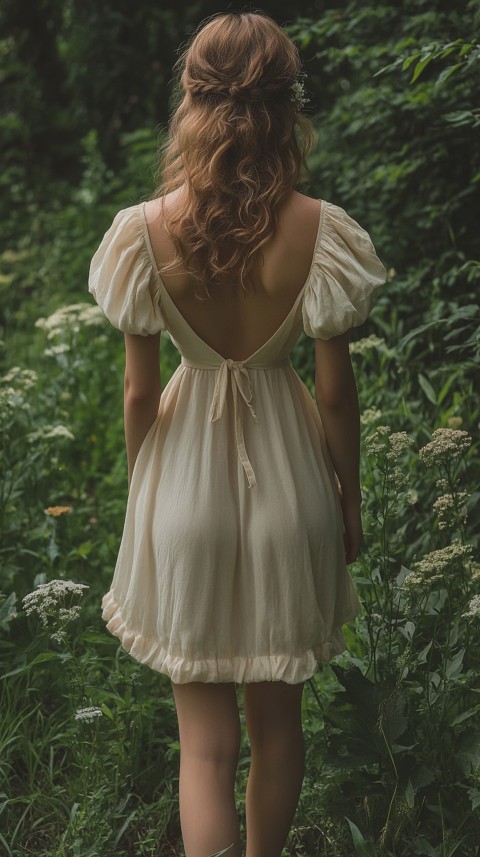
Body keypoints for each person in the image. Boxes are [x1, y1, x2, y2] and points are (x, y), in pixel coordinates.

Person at [88, 11, 387, 857]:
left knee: (205, 746)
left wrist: (149, 491)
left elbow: (141, 395)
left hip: (184, 488)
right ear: (287, 108)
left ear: (190, 99)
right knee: (279, 729)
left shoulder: (143, 232)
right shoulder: (320, 233)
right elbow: (335, 396)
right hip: (291, 485)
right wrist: (348, 499)